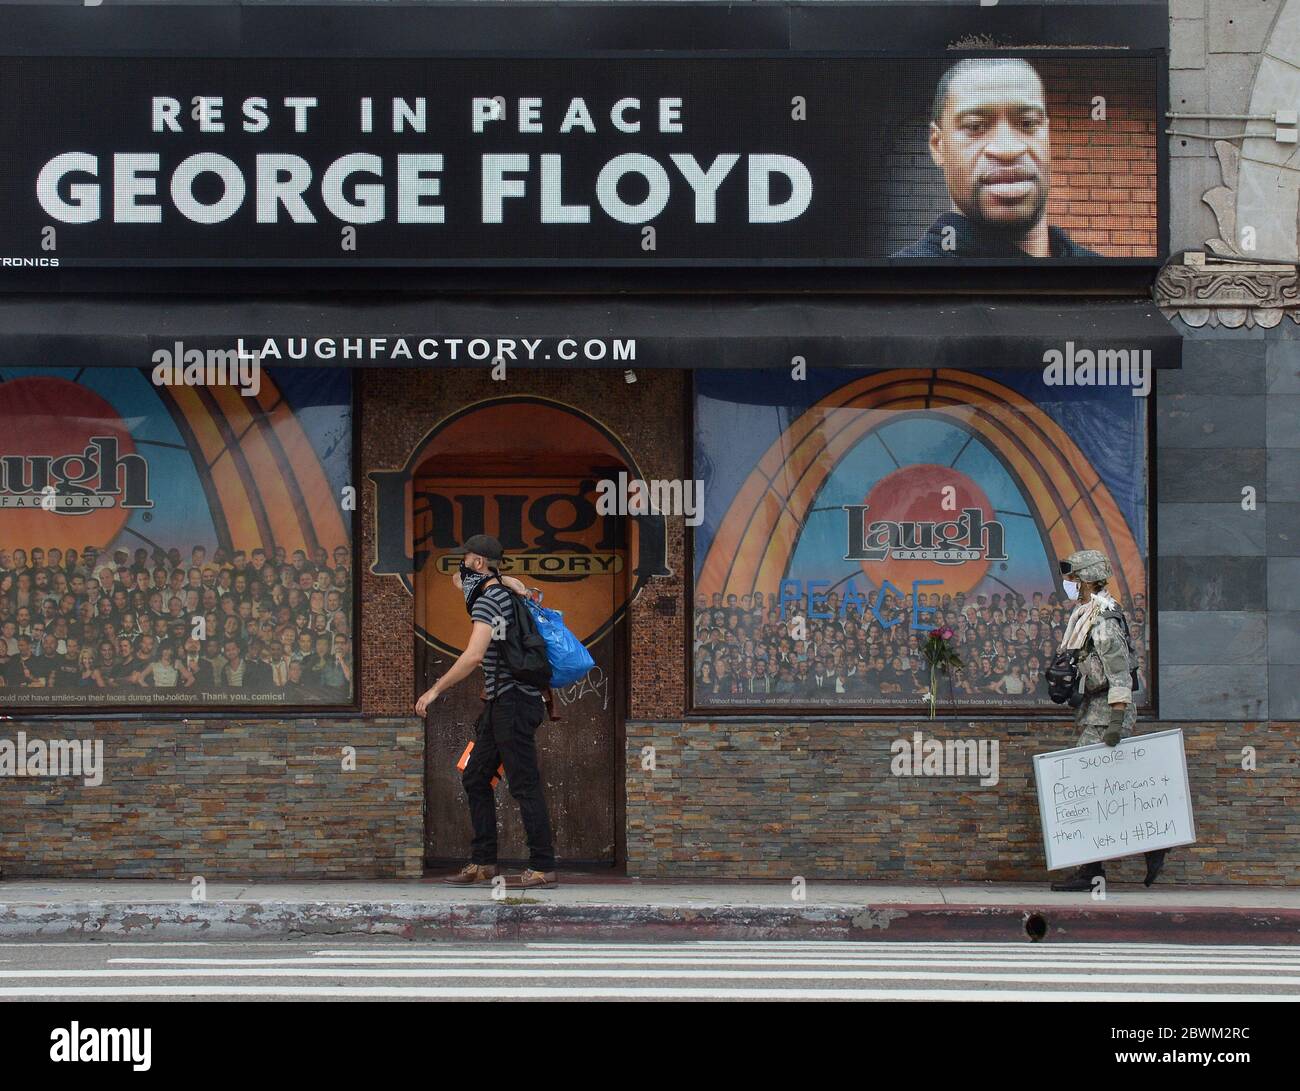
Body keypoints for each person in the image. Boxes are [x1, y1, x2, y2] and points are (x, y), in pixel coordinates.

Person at [416, 534, 557, 890]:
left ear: (478, 563)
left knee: (524, 784)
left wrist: (435, 690)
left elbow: (474, 655)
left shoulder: (489, 602)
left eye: (464, 560)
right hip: (503, 703)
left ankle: (543, 866)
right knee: (476, 777)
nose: (459, 569)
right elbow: (463, 581)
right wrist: (500, 577)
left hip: (512, 702)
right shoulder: (505, 592)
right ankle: (483, 862)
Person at [893, 57, 1100, 259]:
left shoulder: (1102, 276)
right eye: (975, 126)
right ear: (938, 145)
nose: (1007, 150)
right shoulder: (898, 286)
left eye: (1027, 123)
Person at [1048, 549, 1166, 892]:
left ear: (1086, 580)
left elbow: (1119, 674)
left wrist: (1115, 722)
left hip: (1106, 715)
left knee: (1085, 790)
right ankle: (1105, 864)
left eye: (1073, 579)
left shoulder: (1103, 620)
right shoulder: (1088, 615)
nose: (1069, 585)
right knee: (1102, 791)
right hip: (1095, 709)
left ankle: (1099, 867)